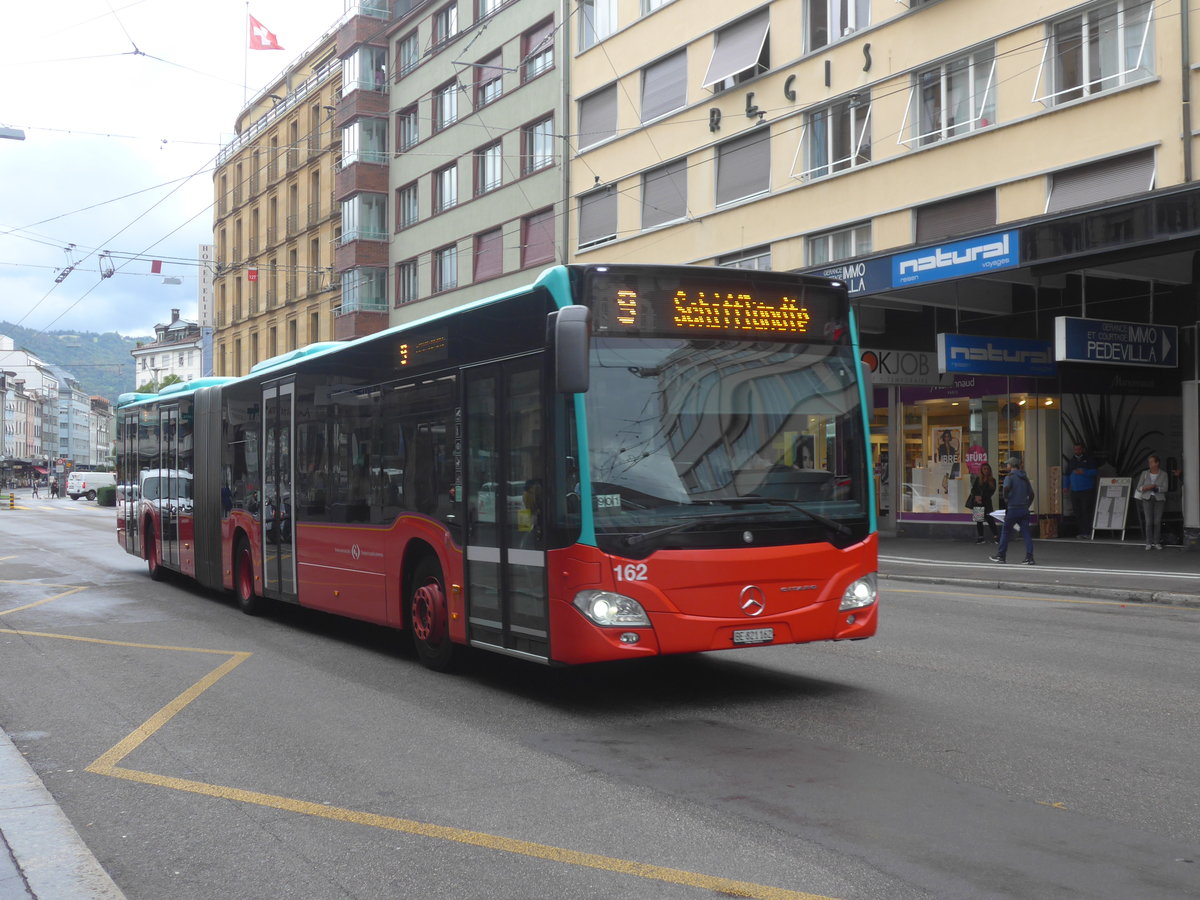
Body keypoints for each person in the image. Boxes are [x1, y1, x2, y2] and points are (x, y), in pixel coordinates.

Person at [991, 455, 1035, 565]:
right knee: (1026, 533)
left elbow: (1006, 488)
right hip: (1024, 509)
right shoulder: (1025, 478)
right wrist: (1027, 505)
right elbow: (1032, 494)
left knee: (1005, 532)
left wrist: (1006, 498)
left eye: (1008, 464)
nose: (1007, 466)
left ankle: (1001, 555)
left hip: (1013, 508)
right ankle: (1029, 557)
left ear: (1011, 465)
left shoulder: (1009, 477)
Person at [1134, 454, 1168, 550]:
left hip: (1159, 499)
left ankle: (1156, 542)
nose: (1150, 464)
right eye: (1149, 462)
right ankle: (1148, 542)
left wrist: (1155, 488)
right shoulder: (1144, 473)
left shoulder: (1164, 474)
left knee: (1157, 521)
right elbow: (1139, 487)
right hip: (1147, 498)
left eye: (1152, 462)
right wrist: (1146, 487)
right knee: (1148, 521)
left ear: (1157, 463)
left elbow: (1165, 488)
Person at [1067, 443, 1098, 539]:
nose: (1077, 451)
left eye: (1079, 449)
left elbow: (1095, 472)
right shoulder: (1071, 461)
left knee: (1086, 510)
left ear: (1083, 449)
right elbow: (1067, 475)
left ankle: (1088, 532)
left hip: (1087, 490)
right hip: (1075, 490)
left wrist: (1084, 472)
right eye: (1075, 449)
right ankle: (1081, 532)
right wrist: (1065, 486)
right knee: (1077, 511)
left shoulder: (1089, 459)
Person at [965, 462, 999, 544]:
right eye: (984, 469)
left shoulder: (992, 480)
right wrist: (977, 497)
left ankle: (996, 536)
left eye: (987, 469)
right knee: (979, 520)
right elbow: (973, 490)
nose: (986, 470)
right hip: (978, 503)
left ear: (989, 470)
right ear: (981, 470)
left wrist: (982, 497)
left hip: (987, 503)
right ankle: (981, 537)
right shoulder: (978, 479)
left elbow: (992, 491)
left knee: (990, 520)